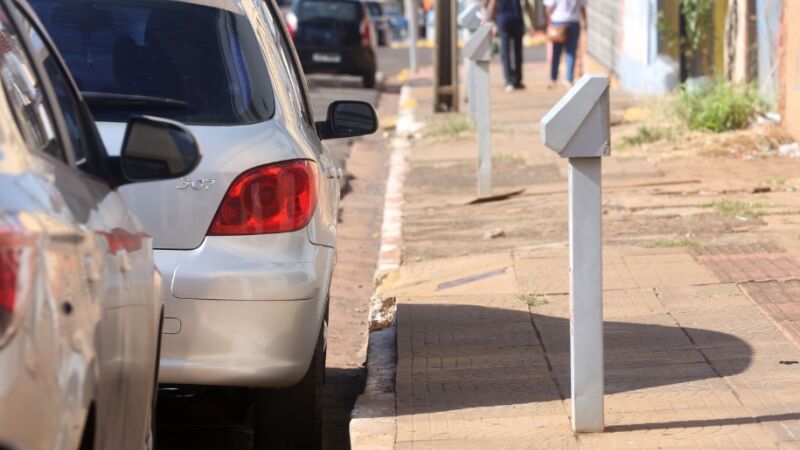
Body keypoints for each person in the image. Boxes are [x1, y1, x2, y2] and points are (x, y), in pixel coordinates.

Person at [487, 0, 535, 92]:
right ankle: (518, 80)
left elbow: (493, 3)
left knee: (506, 52)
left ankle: (508, 80)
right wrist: (532, 22)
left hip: (503, 19)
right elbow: (526, 4)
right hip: (516, 18)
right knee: (518, 51)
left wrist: (488, 19)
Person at [544, 0, 586, 88]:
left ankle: (553, 79)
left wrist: (550, 20)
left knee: (556, 52)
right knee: (571, 52)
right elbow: (582, 7)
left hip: (558, 21)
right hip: (574, 21)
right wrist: (585, 21)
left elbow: (548, 7)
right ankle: (568, 79)